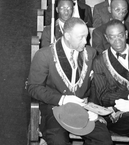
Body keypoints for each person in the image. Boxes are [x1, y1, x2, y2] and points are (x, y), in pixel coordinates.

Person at [28, 17, 112, 145]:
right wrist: (63, 99)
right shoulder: (45, 55)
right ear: (67, 36)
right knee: (58, 141)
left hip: (82, 108)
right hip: (55, 107)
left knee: (104, 140)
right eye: (81, 37)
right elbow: (33, 88)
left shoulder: (90, 53)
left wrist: (93, 108)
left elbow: (94, 84)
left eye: (87, 37)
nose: (85, 41)